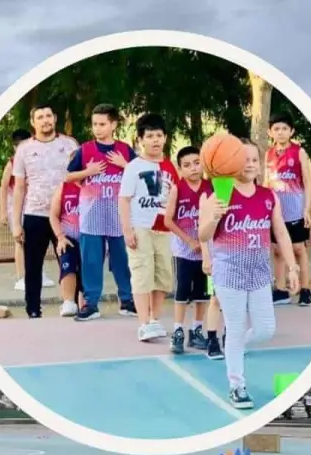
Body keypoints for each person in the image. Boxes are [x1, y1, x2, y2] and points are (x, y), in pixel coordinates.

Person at [198, 138, 301, 408]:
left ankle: (235, 344)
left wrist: (292, 267)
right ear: (231, 163)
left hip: (258, 272)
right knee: (235, 326)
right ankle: (237, 385)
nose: (251, 164)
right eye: (244, 159)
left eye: (255, 159)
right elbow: (203, 235)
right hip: (229, 272)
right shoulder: (217, 195)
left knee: (266, 329)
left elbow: (280, 232)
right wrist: (214, 217)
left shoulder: (268, 196)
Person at [65, 104, 136, 321]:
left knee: (122, 260)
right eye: (94, 124)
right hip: (91, 217)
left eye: (102, 124)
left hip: (118, 217)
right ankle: (91, 303)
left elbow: (142, 176)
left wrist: (125, 165)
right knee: (91, 261)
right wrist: (89, 171)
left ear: (114, 124)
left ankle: (127, 300)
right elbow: (68, 176)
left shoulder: (125, 150)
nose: (97, 128)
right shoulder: (85, 150)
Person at [11, 103, 80, 318]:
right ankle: (33, 310)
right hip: (35, 214)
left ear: (55, 118)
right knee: (33, 267)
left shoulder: (70, 145)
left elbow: (80, 178)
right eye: (40, 117)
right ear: (33, 122)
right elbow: (20, 187)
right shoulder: (24, 149)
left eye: (48, 116)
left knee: (70, 262)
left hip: (66, 215)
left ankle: (73, 304)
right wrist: (16, 223)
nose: (45, 120)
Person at [118, 114, 176, 341]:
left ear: (165, 138)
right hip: (140, 226)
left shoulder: (171, 167)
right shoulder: (134, 167)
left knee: (162, 275)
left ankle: (154, 319)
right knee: (142, 274)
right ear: (140, 139)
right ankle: (143, 323)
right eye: (149, 136)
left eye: (159, 136)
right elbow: (124, 199)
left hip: (164, 228)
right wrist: (127, 230)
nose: (155, 140)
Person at [164, 146, 213, 354]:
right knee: (182, 291)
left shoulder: (211, 188)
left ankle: (196, 330)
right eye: (187, 165)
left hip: (206, 253)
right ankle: (178, 331)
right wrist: (189, 240)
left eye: (196, 163)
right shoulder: (177, 189)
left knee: (204, 294)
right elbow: (168, 220)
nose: (193, 168)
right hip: (183, 252)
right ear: (180, 169)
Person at [266, 113, 311, 307]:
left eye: (284, 129)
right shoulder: (268, 154)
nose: (280, 132)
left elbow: (308, 182)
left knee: (298, 250)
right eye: (276, 129)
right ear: (270, 132)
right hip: (276, 212)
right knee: (277, 251)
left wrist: (307, 209)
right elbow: (265, 182)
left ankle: (305, 289)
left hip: (295, 209)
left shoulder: (299, 152)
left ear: (291, 131)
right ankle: (280, 291)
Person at [0, 129, 49, 291]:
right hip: (17, 204)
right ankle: (21, 277)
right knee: (21, 241)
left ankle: (37, 273)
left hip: (34, 204)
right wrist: (3, 212)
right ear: (15, 148)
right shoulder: (12, 163)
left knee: (38, 240)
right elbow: (3, 187)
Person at [49, 179, 84, 316]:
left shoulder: (94, 185)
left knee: (87, 269)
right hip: (68, 236)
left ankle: (86, 302)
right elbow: (53, 214)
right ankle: (68, 302)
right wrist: (60, 237)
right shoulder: (64, 187)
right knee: (67, 264)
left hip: (88, 236)